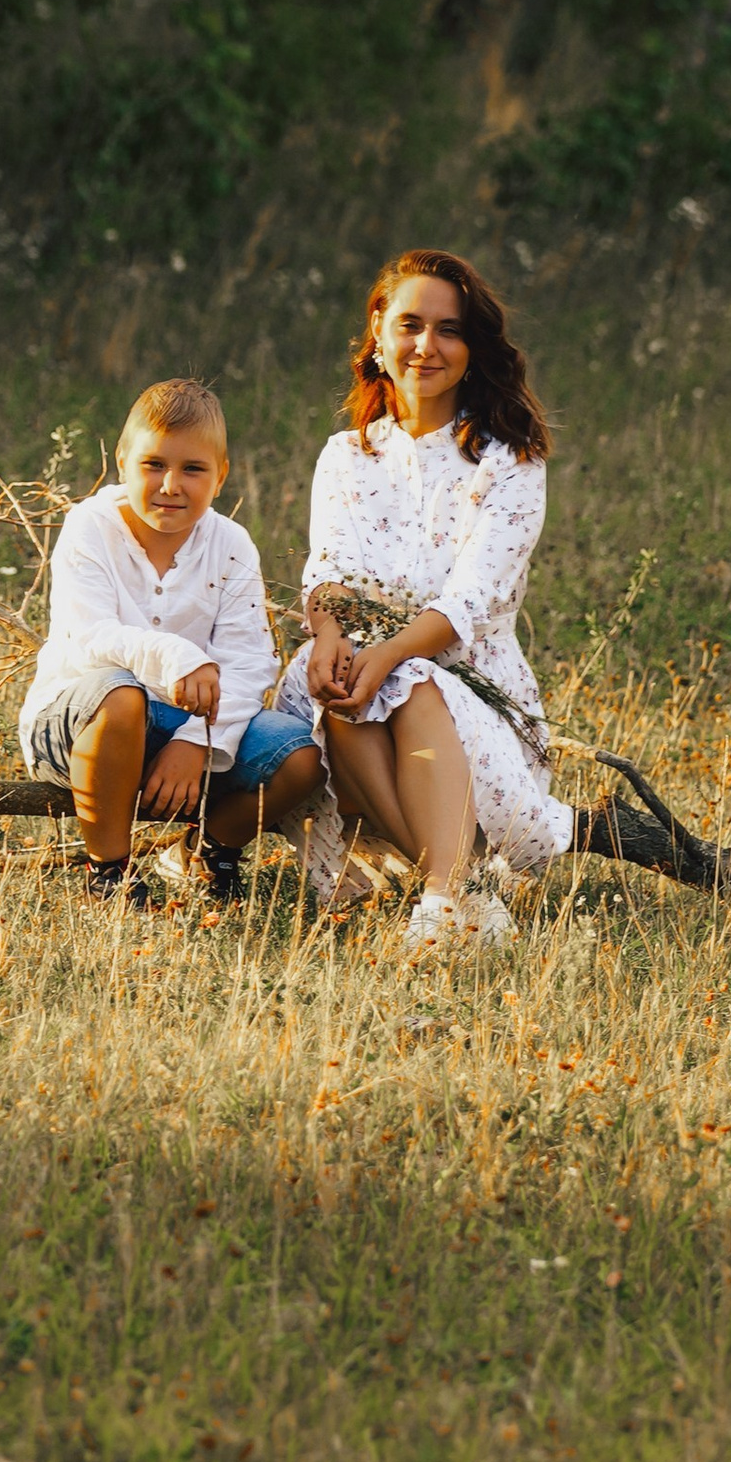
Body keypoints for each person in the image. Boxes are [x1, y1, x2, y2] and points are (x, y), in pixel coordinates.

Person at [280, 247, 570, 950]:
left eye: (449, 330)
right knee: (341, 687)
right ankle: (461, 890)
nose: (427, 346)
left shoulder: (509, 460)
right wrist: (328, 638)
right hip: (365, 679)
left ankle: (441, 899)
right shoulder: (348, 454)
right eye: (410, 324)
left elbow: (471, 601)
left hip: (474, 689)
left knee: (405, 679)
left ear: (473, 348)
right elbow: (329, 572)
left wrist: (387, 656)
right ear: (378, 333)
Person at [19, 379, 322, 908]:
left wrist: (195, 742)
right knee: (121, 693)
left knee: (300, 755)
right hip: (78, 728)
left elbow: (248, 663)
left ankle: (207, 851)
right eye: (153, 464)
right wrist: (178, 654)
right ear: (122, 461)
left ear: (221, 476)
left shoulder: (230, 545)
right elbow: (89, 636)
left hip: (183, 733)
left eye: (193, 469)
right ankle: (108, 872)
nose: (170, 485)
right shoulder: (90, 526)